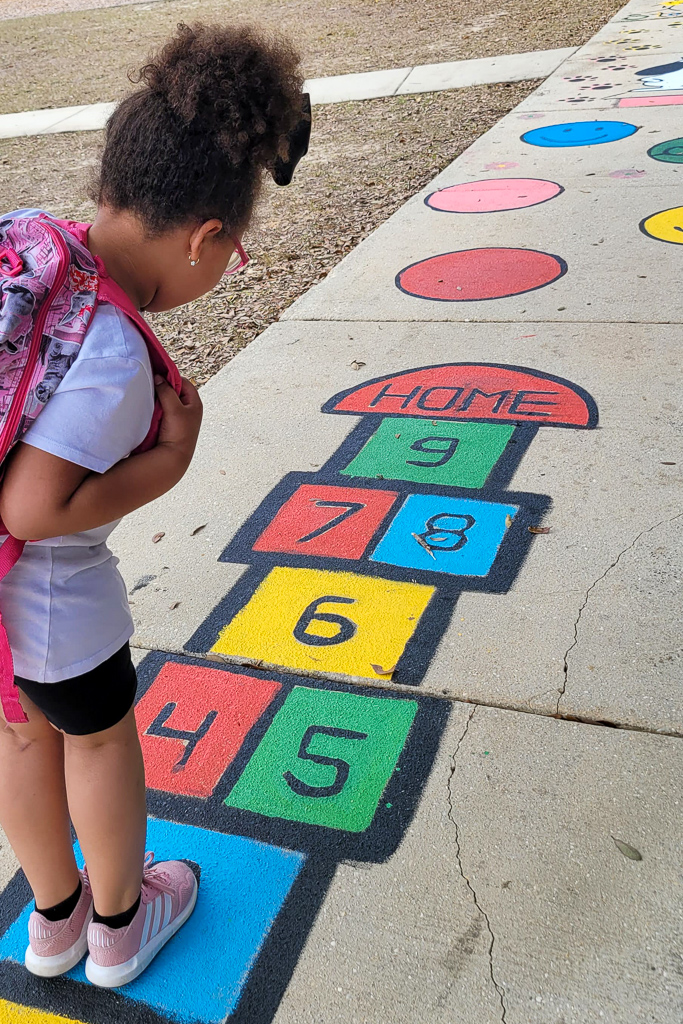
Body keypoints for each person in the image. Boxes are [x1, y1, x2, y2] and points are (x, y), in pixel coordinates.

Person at [0, 23, 304, 988]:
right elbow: (33, 511)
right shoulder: (113, 348)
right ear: (206, 236)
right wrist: (173, 457)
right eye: (234, 257)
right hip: (52, 605)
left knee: (16, 738)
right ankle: (125, 927)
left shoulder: (35, 247)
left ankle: (54, 923)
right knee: (98, 742)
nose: (223, 274)